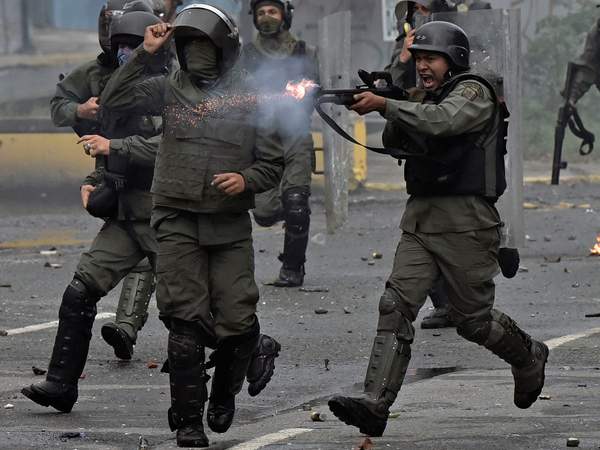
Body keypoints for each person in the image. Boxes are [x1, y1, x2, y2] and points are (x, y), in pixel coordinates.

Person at [328, 21, 548, 438]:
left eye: (430, 58)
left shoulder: (474, 91)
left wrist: (387, 104)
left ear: (454, 60)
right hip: (421, 219)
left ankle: (529, 356)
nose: (422, 66)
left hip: (467, 223)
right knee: (395, 305)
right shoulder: (423, 98)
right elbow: (400, 141)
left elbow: (445, 121)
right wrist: (388, 97)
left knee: (474, 322)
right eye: (418, 58)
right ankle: (375, 404)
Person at [99, 5, 285, 447]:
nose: (195, 54)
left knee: (237, 325)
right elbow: (113, 101)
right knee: (184, 327)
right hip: (177, 218)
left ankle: (224, 394)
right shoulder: (168, 88)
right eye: (188, 45)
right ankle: (188, 421)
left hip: (228, 225)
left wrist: (245, 179)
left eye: (204, 45)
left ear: (223, 50)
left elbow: (273, 162)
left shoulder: (253, 96)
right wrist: (146, 53)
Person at [21, 8, 167, 413]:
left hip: (163, 212)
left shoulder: (174, 84)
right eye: (120, 46)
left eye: (134, 47)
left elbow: (170, 147)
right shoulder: (107, 80)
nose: (126, 54)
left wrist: (114, 149)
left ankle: (246, 352)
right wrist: (96, 174)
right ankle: (60, 384)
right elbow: (82, 115)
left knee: (190, 308)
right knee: (80, 290)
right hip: (123, 211)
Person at [241, 0, 319, 287]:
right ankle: (285, 207)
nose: (266, 17)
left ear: (285, 15)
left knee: (297, 203)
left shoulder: (304, 52)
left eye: (272, 11)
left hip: (296, 135)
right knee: (263, 213)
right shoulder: (247, 54)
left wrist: (301, 94)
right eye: (261, 12)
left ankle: (293, 268)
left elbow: (315, 89)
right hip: (261, 139)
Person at [566, 14, 600, 105]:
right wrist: (572, 99)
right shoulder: (595, 35)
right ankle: (571, 100)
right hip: (592, 61)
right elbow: (588, 68)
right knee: (587, 72)